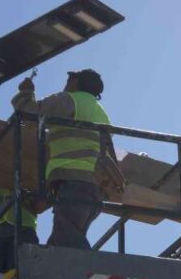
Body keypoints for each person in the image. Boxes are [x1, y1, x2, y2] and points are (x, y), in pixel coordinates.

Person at [12, 69, 121, 248]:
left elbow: (29, 114)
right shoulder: (101, 113)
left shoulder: (69, 99)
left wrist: (25, 93)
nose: (67, 82)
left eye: (70, 78)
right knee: (61, 242)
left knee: (67, 243)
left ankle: (84, 272)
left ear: (76, 82)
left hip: (75, 183)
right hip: (94, 189)